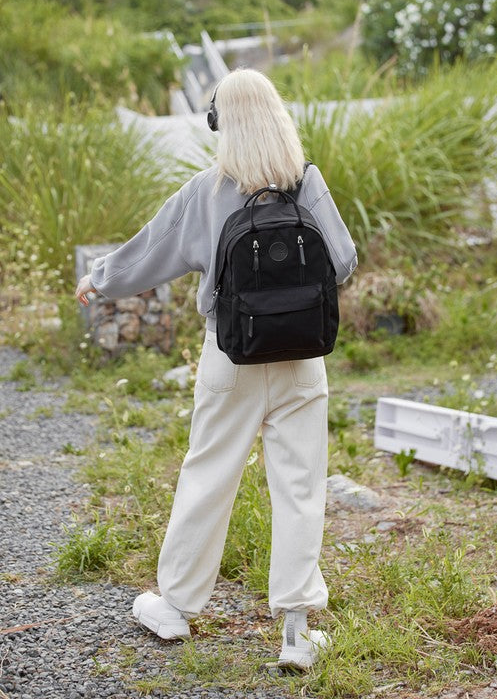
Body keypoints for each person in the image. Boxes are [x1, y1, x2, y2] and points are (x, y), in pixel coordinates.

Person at [75, 68, 357, 670]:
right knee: (302, 487)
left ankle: (175, 607)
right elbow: (344, 262)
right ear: (278, 117)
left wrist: (98, 279)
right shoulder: (307, 184)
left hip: (229, 355)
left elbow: (149, 253)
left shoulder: (207, 189)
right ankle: (297, 633)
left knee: (209, 475)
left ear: (218, 122)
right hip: (303, 359)